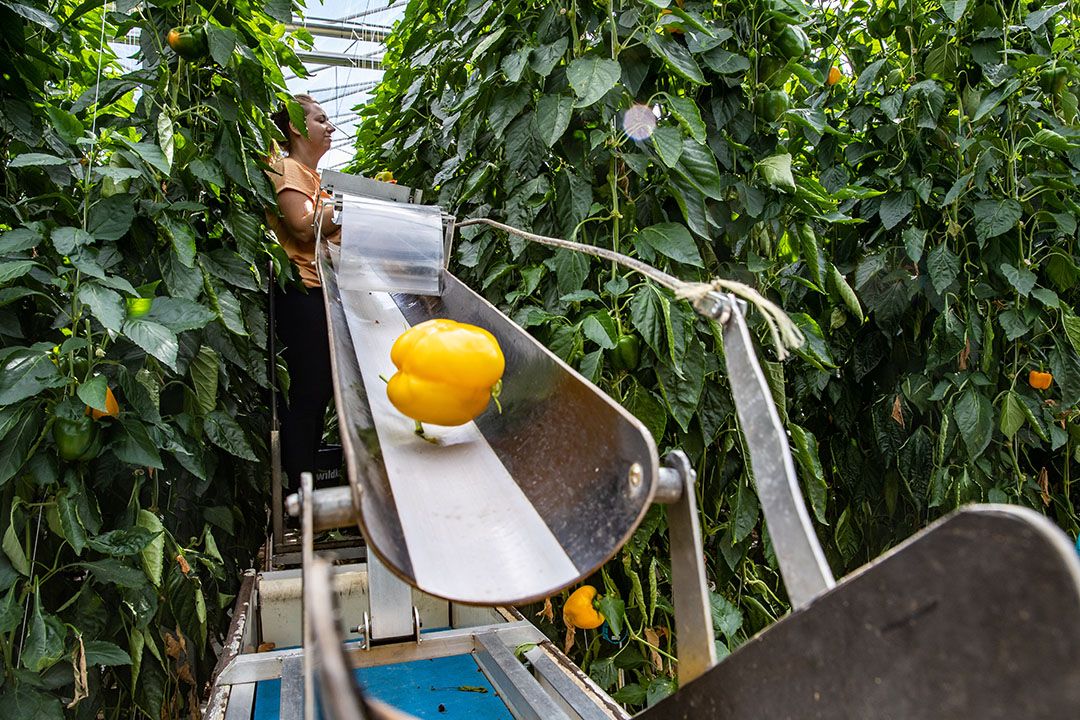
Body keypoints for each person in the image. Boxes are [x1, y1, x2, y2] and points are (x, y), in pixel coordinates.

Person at [265, 95, 339, 492]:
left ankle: (308, 485)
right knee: (308, 393)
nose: (330, 127)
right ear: (296, 127)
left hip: (318, 291)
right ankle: (300, 494)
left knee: (319, 390)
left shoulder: (313, 177)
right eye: (321, 119)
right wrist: (345, 206)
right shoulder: (287, 167)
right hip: (299, 291)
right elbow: (301, 225)